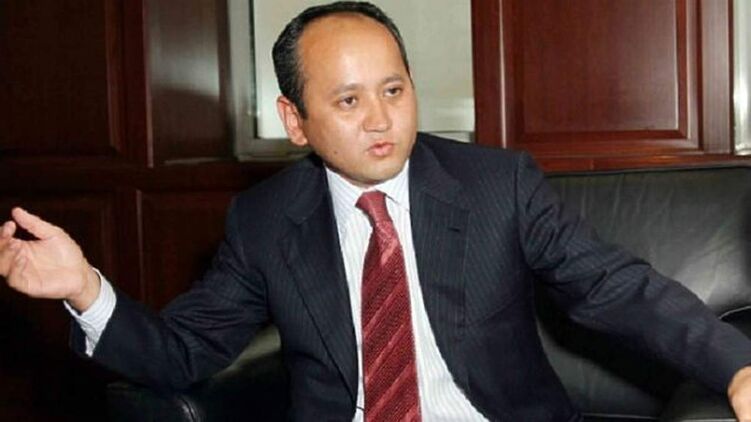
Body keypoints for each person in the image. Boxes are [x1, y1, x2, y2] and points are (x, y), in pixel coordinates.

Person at [1, 2, 751, 420]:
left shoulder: (497, 185)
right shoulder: (265, 221)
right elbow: (182, 353)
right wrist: (83, 289)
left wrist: (735, 367)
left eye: (394, 90)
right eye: (348, 101)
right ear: (294, 120)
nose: (381, 119)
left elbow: (612, 285)